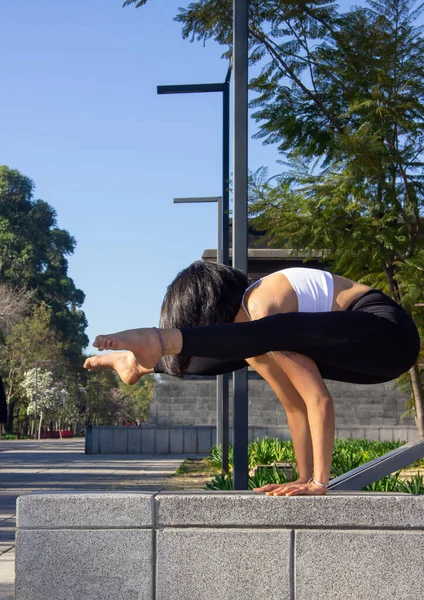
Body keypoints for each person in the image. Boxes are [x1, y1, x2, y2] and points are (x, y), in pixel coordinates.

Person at [84, 261, 420, 496]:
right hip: (362, 359)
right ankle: (140, 365)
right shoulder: (261, 337)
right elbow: (296, 407)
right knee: (247, 347)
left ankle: (161, 341)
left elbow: (318, 399)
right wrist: (302, 478)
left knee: (265, 335)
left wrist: (319, 482)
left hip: (389, 337)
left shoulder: (262, 303)